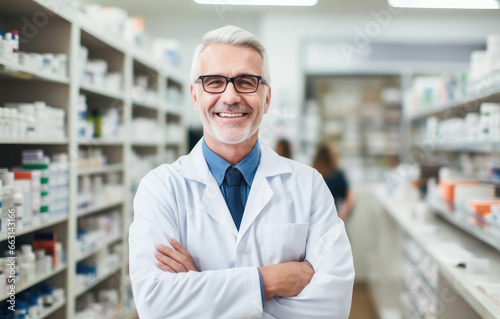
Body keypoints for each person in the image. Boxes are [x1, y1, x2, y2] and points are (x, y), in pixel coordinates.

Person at [129, 25, 354, 319]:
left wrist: (199, 290)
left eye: (246, 81)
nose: (231, 96)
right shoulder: (160, 188)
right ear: (196, 96)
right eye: (214, 82)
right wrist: (269, 281)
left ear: (267, 98)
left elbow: (332, 305)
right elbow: (156, 303)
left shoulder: (309, 185)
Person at [313, 142, 356, 222]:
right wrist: (342, 214)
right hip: (329, 219)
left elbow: (350, 195)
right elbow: (350, 195)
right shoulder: (336, 176)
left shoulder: (313, 174)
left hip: (316, 219)